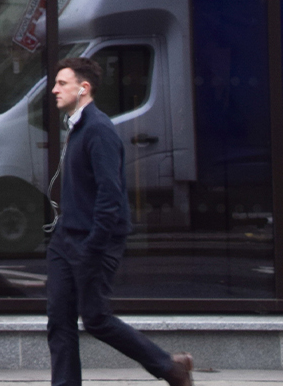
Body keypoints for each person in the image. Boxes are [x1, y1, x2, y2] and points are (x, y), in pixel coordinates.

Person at [45, 57, 192, 386]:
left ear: (83, 88)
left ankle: (170, 367)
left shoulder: (98, 130)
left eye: (62, 83)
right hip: (66, 238)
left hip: (93, 242)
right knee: (59, 320)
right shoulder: (77, 127)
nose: (54, 89)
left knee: (96, 319)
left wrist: (93, 247)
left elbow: (110, 196)